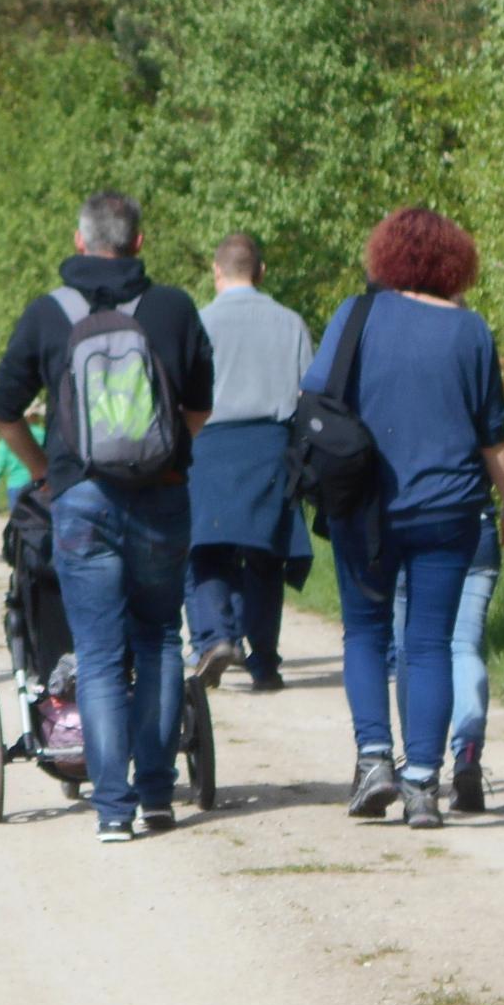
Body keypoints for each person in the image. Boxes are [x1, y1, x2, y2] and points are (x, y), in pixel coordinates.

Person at [0, 192, 214, 844]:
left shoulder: (47, 314)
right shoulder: (172, 308)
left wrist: (43, 473)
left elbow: (6, 411)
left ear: (79, 242)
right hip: (163, 495)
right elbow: (200, 404)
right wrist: (174, 453)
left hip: (82, 500)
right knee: (160, 641)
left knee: (98, 654)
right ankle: (157, 795)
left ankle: (113, 810)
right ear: (139, 243)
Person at [300, 206, 504, 831]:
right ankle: (423, 783)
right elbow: (493, 435)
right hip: (450, 510)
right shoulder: (472, 331)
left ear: (386, 255)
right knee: (429, 644)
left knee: (367, 634)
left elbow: (314, 394)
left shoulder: (357, 315)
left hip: (365, 508)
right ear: (455, 263)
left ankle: (374, 759)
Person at [186, 232, 316, 694]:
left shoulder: (197, 322)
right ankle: (264, 663)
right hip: (270, 447)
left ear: (216, 272)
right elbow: (308, 397)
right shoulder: (290, 323)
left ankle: (214, 638)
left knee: (205, 549)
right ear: (260, 272)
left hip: (209, 444)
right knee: (266, 557)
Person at [391, 509, 502, 813]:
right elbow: (497, 459)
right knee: (465, 647)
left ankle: (418, 760)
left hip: (412, 527)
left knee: (411, 651)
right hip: (477, 526)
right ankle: (467, 756)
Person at [0, 403, 43, 514]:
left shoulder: (9, 436)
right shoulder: (42, 433)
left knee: (18, 520)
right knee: (40, 519)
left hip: (16, 485)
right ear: (33, 417)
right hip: (39, 484)